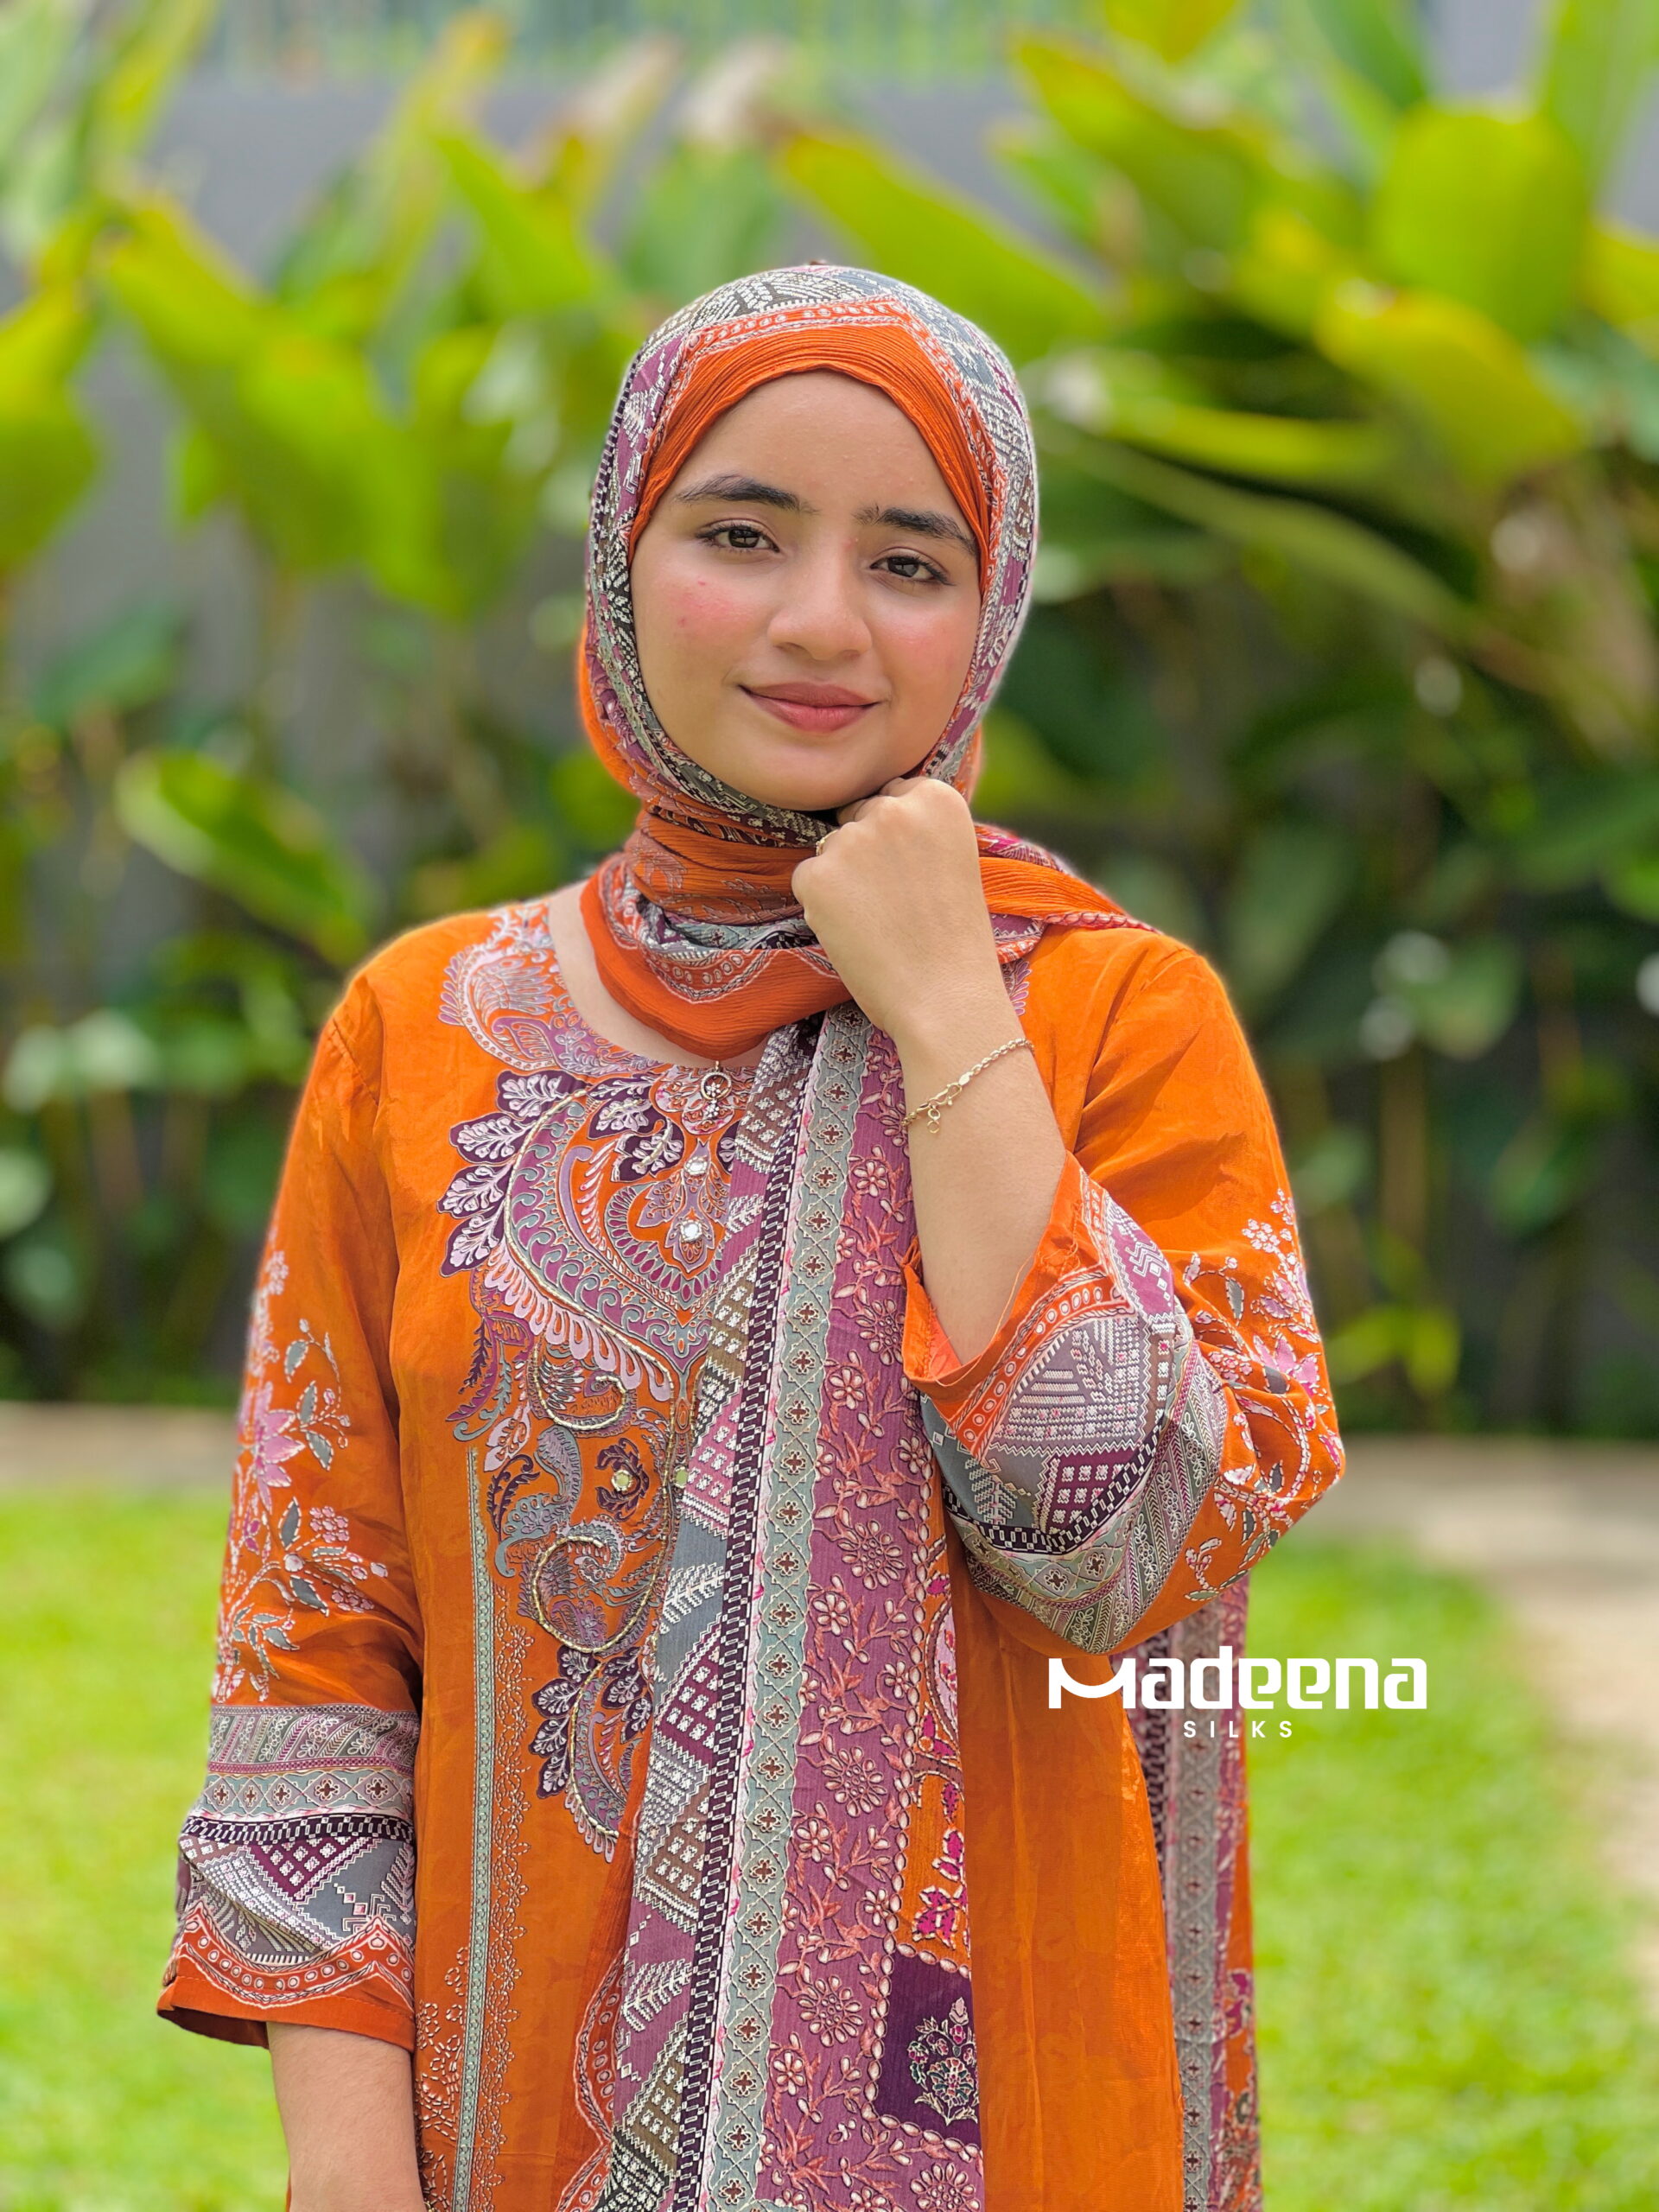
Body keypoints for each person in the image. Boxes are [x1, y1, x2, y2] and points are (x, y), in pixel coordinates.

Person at [159, 265, 1343, 2212]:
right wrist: (347, 2171)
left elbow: (1126, 1544)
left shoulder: (1121, 1021)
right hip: (506, 2133)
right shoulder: (419, 1031)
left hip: (1018, 2130)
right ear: (623, 567)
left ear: (992, 613)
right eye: (740, 533)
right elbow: (315, 1643)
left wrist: (947, 1003)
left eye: (910, 560)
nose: (820, 621)